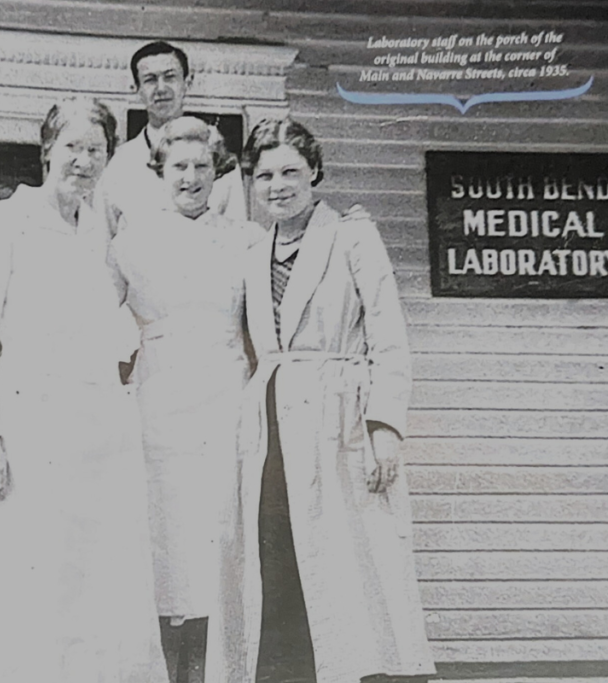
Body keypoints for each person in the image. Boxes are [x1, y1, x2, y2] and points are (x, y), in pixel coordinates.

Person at [0, 99, 168, 683]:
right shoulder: (1, 222)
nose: (84, 161)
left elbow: (130, 319)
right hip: (27, 424)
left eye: (96, 150)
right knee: (25, 579)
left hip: (99, 431)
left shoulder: (104, 232)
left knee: (93, 584)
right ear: (47, 151)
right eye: (72, 147)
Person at [209, 118, 436, 683]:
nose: (277, 185)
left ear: (315, 172)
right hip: (271, 424)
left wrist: (385, 425)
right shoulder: (253, 253)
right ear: (249, 183)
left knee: (349, 560)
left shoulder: (353, 236)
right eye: (263, 175)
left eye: (290, 171)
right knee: (279, 556)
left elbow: (389, 334)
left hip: (342, 417)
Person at [107, 117, 264, 683]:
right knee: (165, 530)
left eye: (202, 166)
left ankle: (214, 663)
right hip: (159, 394)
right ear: (160, 171)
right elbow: (96, 319)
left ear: (218, 172)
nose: (191, 177)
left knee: (219, 527)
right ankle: (167, 666)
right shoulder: (131, 241)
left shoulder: (246, 239)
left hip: (226, 392)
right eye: (179, 166)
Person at [96, 41, 247, 239]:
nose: (161, 88)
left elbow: (238, 237)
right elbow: (103, 239)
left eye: (170, 77)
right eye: (150, 80)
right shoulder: (119, 164)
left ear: (187, 82)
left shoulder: (217, 155)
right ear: (136, 88)